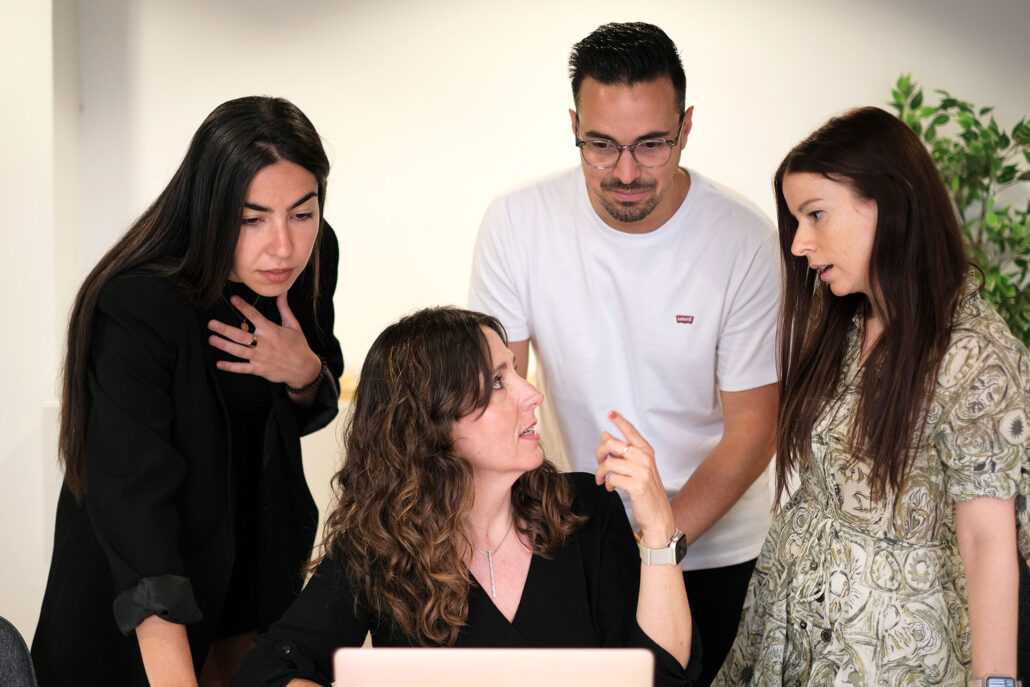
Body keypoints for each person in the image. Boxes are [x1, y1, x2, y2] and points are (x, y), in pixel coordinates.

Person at [468, 22, 780, 684]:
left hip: (714, 545)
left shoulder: (744, 239)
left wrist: (658, 541)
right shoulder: (518, 221)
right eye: (602, 146)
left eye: (652, 145)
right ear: (575, 124)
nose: (627, 172)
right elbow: (494, 391)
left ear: (686, 127)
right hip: (572, 535)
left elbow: (754, 430)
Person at [31, 96, 344, 687]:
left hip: (251, 571)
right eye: (251, 220)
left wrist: (303, 371)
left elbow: (304, 409)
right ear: (208, 209)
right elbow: (134, 507)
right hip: (138, 598)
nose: (283, 247)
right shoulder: (137, 306)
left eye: (302, 213)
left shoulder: (311, 258)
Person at [714, 106, 1029, 685]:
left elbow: (988, 542)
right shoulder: (847, 323)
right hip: (791, 629)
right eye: (796, 221)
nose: (801, 244)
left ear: (890, 200)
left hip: (891, 655)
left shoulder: (976, 355)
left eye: (816, 216)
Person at [232, 307, 699, 687]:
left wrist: (659, 530)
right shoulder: (379, 546)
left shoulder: (584, 507)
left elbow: (665, 676)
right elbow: (268, 671)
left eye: (515, 373)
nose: (531, 394)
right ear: (431, 425)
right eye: (498, 383)